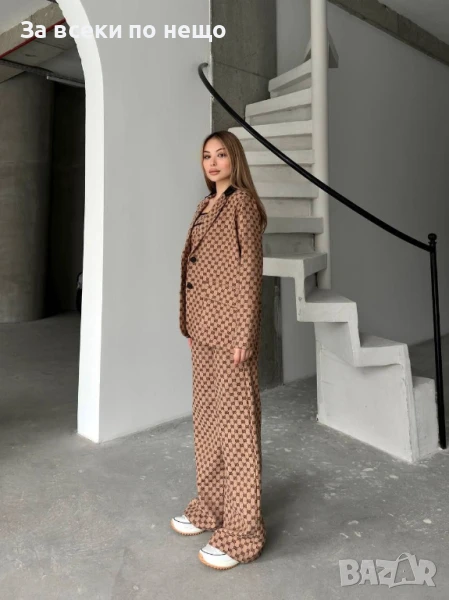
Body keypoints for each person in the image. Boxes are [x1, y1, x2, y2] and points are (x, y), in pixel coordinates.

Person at [170, 130, 268, 570]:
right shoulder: (205, 205)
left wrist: (244, 334)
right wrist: (191, 323)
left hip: (231, 335)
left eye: (221, 154)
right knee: (208, 423)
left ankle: (244, 533)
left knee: (237, 430)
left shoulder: (242, 204)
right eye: (207, 156)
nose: (212, 162)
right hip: (203, 330)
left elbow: (249, 273)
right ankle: (211, 507)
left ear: (235, 159)